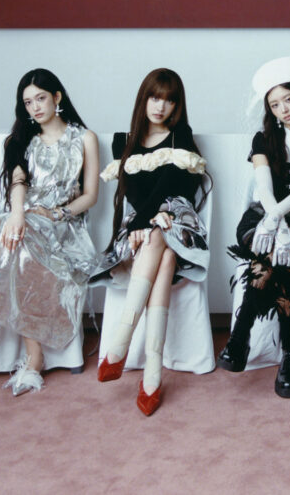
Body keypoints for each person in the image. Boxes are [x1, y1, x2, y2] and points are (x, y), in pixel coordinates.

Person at [0, 68, 99, 396]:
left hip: (63, 225)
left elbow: (90, 195)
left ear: (57, 97)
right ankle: (33, 359)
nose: (35, 107)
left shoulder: (84, 138)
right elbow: (18, 182)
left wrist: (56, 213)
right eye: (28, 102)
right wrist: (17, 215)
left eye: (40, 98)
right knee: (16, 235)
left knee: (18, 240)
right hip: (24, 218)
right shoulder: (22, 140)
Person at [92, 68, 209, 416]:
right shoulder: (123, 141)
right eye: (155, 98)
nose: (161, 107)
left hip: (177, 221)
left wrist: (152, 218)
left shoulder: (180, 136)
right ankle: (152, 369)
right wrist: (143, 222)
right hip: (141, 228)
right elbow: (134, 190)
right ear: (144, 98)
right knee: (164, 253)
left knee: (161, 232)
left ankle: (121, 340)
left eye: (169, 100)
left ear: (177, 106)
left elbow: (177, 185)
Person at [217, 56, 290, 399]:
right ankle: (288, 356)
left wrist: (282, 225)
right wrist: (275, 223)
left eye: (289, 99)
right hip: (261, 218)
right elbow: (264, 188)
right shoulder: (263, 140)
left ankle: (244, 339)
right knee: (273, 251)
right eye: (275, 104)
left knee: (287, 253)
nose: (283, 109)